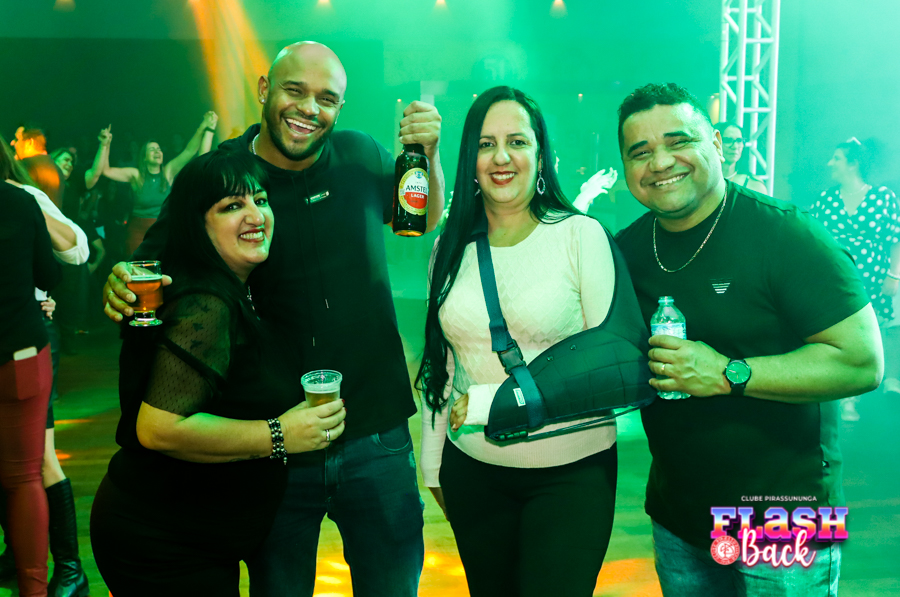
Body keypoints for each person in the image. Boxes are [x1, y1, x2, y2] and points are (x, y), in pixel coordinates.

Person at [101, 41, 445, 597]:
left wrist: (428, 154)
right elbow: (153, 260)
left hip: (376, 432)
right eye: (295, 90)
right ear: (264, 89)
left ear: (340, 107)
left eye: (326, 98)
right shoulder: (226, 174)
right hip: (277, 445)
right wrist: (118, 277)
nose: (309, 108)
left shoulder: (360, 154)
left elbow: (420, 218)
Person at [614, 83, 882, 597]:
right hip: (679, 515)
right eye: (640, 151)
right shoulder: (629, 251)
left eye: (679, 141)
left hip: (784, 517)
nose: (660, 162)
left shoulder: (786, 234)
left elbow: (863, 361)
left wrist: (728, 373)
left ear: (716, 144)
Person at [90, 149, 347, 596]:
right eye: (232, 206)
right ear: (197, 224)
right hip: (165, 545)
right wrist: (281, 434)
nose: (256, 215)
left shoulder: (236, 288)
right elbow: (158, 428)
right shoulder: (205, 303)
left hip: (193, 541)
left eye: (260, 200)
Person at [416, 86, 623, 596]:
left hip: (571, 473)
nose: (501, 157)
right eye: (486, 144)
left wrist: (492, 401)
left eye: (517, 141)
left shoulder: (580, 235)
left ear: (541, 154)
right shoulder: (448, 247)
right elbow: (443, 364)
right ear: (470, 159)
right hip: (473, 472)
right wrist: (433, 463)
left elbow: (607, 368)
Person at [0, 137, 91, 597]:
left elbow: (78, 250)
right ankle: (19, 556)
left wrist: (31, 205)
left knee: (39, 460)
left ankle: (70, 569)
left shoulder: (23, 196)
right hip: (21, 333)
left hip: (28, 336)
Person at [1, 135, 63, 597]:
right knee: (25, 478)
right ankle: (34, 591)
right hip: (19, 352)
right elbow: (49, 274)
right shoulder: (20, 201)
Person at [809, 138, 900, 415]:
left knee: (872, 333)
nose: (830, 164)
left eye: (836, 158)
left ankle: (874, 386)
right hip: (836, 280)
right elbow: (810, 235)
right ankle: (848, 397)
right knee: (844, 334)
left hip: (873, 277)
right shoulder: (827, 198)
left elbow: (896, 238)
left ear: (853, 164)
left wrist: (894, 275)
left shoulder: (882, 196)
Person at [85, 113, 218, 256]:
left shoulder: (168, 172)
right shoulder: (136, 175)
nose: (157, 151)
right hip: (138, 232)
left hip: (164, 229)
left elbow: (190, 150)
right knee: (138, 268)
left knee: (165, 266)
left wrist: (202, 127)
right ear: (144, 157)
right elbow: (106, 171)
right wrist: (105, 144)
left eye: (159, 149)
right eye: (152, 149)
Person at [11, 125, 66, 209]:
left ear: (30, 142)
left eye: (17, 139)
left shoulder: (26, 165)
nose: (12, 143)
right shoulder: (57, 170)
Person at [713, 122, 767, 194]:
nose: (735, 146)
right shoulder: (703, 179)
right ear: (716, 143)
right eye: (728, 140)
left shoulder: (754, 184)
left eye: (739, 141)